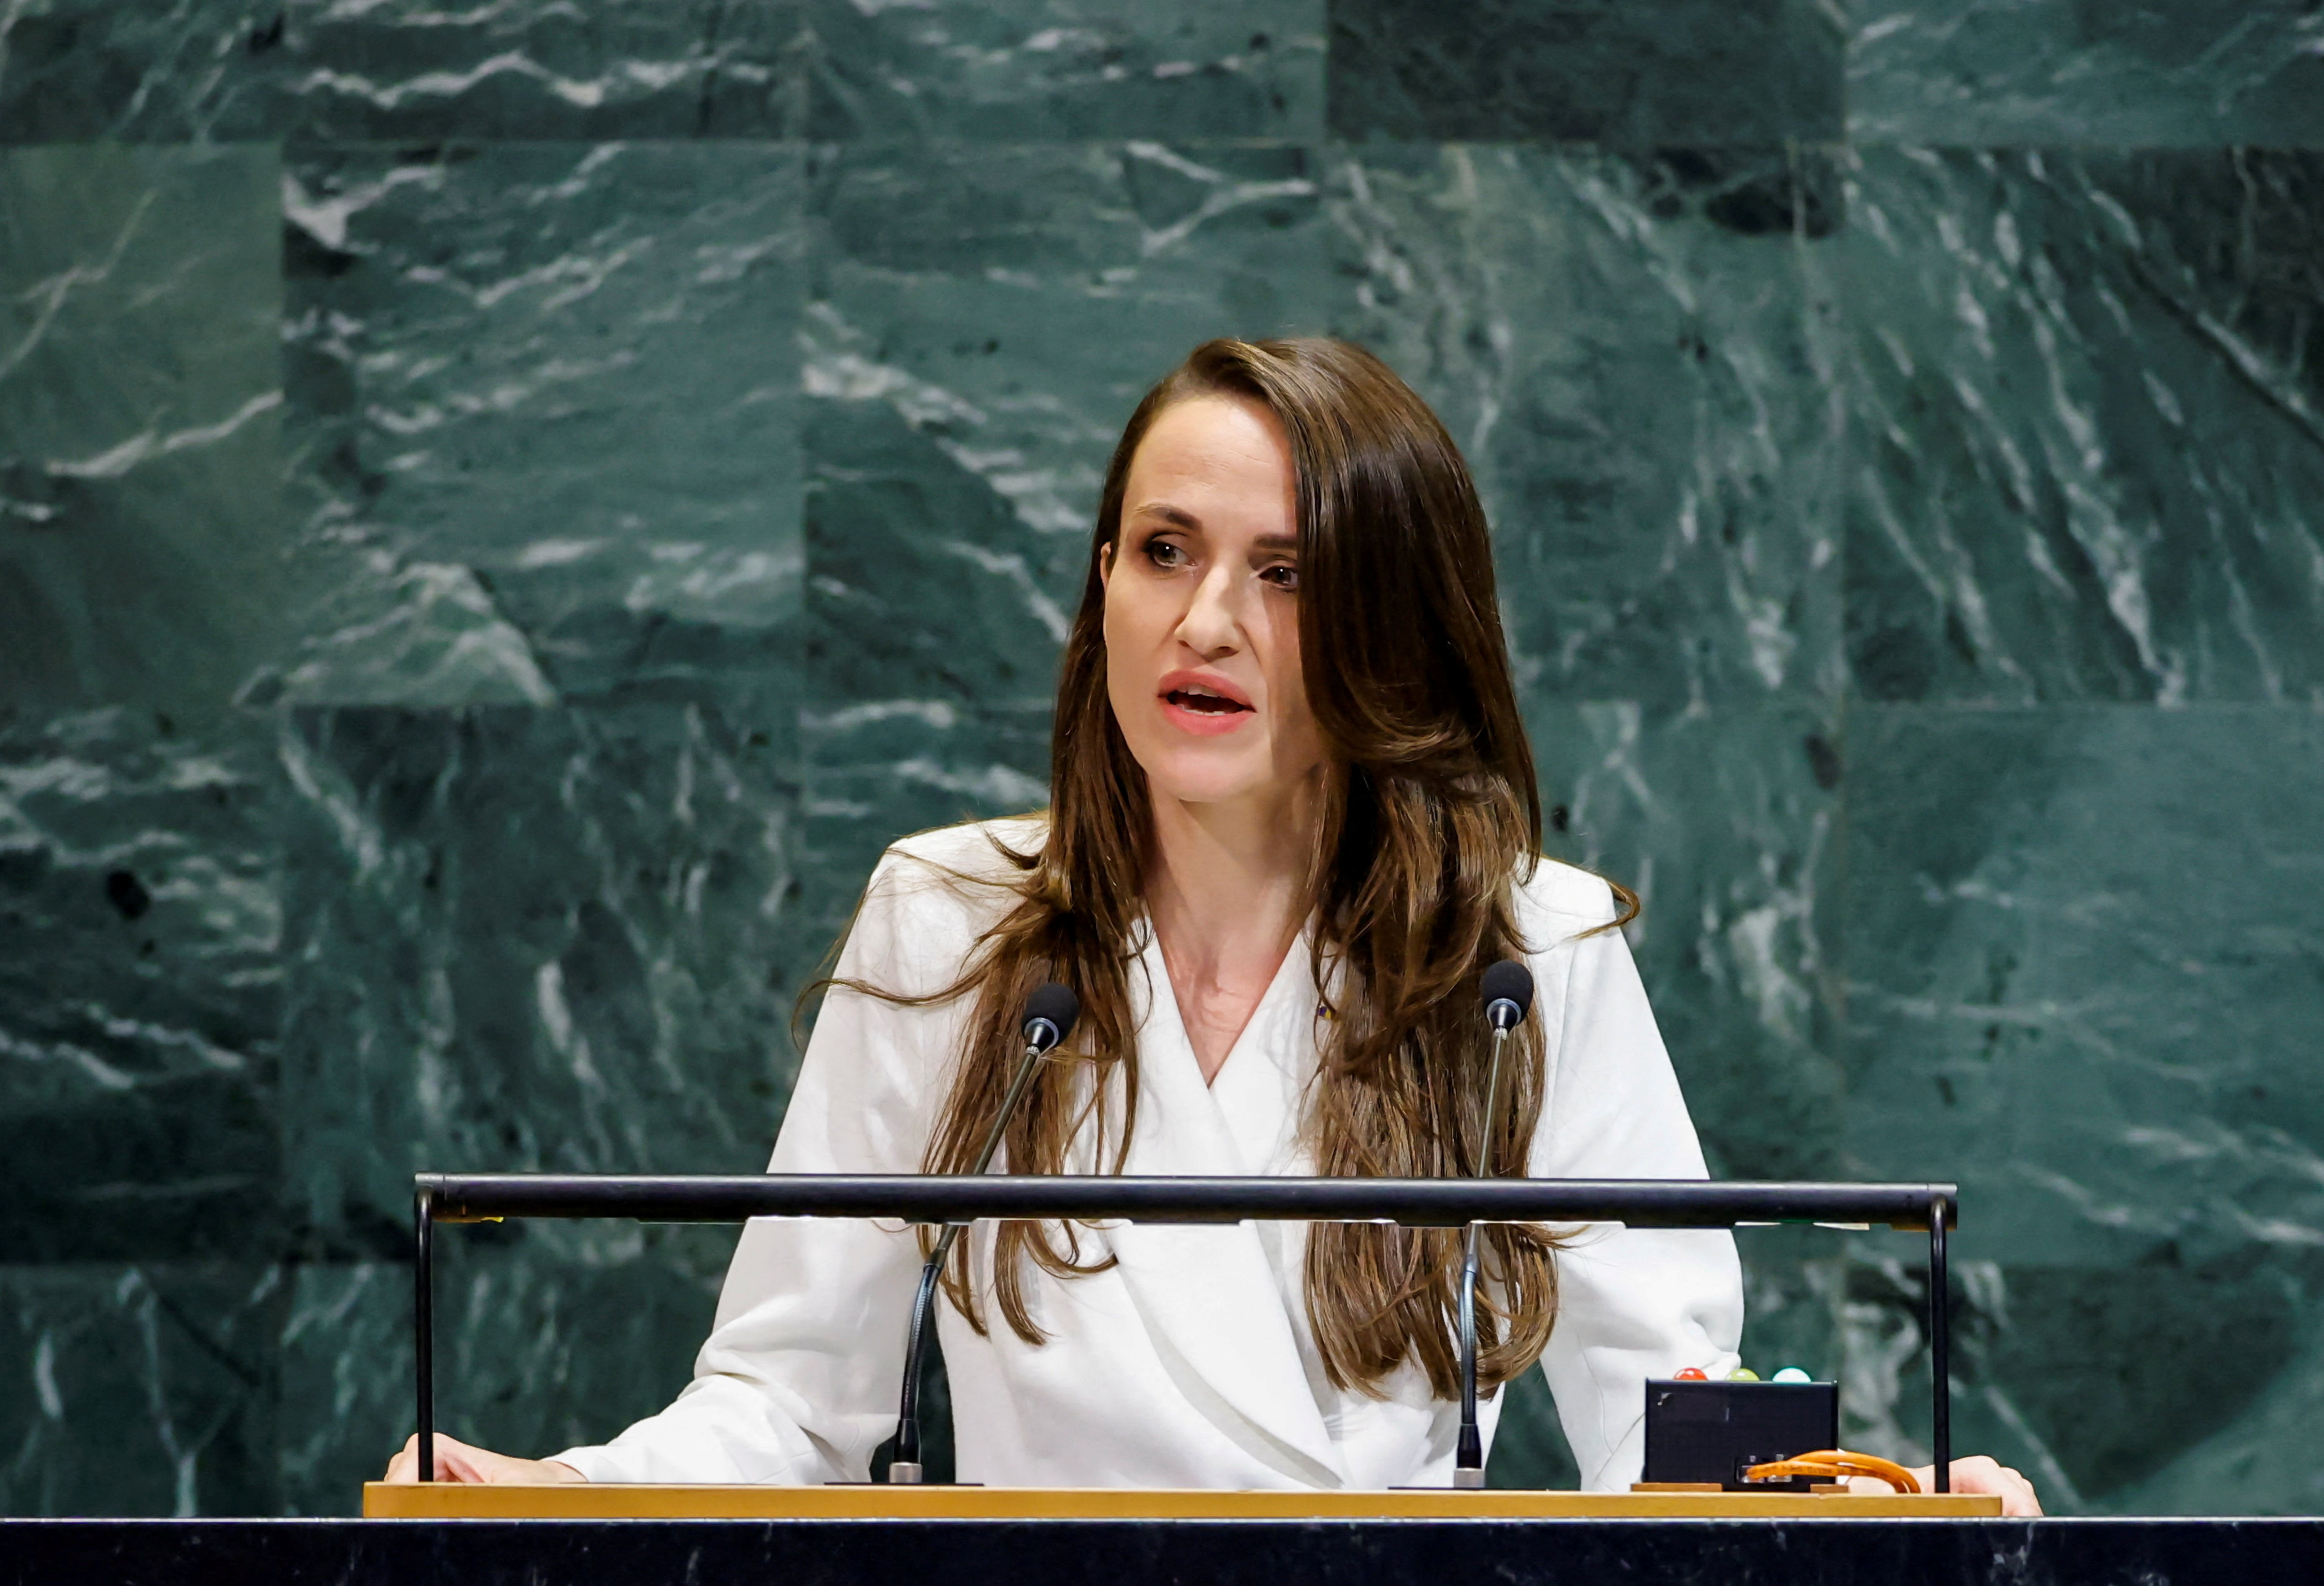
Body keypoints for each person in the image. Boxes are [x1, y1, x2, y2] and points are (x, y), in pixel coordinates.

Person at [388, 336, 2037, 1512]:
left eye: (1284, 572)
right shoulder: (945, 921)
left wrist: (1873, 1509)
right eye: (1163, 551)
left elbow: (1664, 1427)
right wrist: (542, 1488)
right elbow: (782, 1405)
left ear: (1389, 621)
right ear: (1099, 580)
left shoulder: (1526, 952)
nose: (1203, 622)